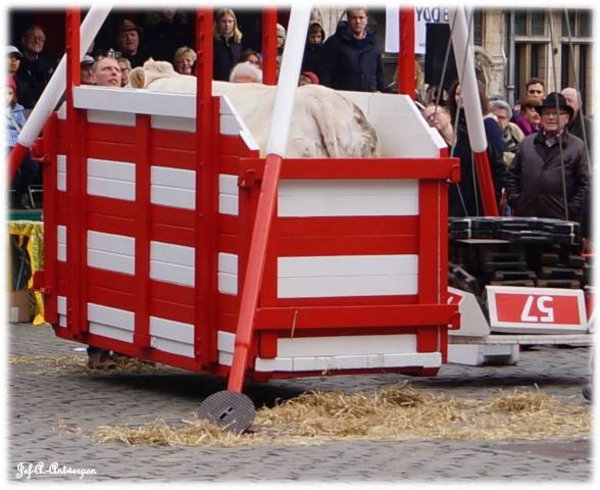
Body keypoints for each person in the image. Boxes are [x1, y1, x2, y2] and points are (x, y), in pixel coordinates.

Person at [505, 92, 589, 222]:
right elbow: (512, 176)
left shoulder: (577, 147)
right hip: (528, 217)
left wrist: (571, 209)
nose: (551, 117)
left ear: (566, 118)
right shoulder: (527, 143)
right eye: (547, 113)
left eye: (556, 113)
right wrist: (517, 201)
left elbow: (584, 184)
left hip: (561, 220)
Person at [447, 81, 505, 217]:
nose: (460, 97)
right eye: (457, 94)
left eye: (465, 92)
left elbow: (497, 164)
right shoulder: (456, 126)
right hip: (459, 194)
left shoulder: (488, 125)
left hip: (479, 195)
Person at [319, 7, 385, 92]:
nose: (358, 22)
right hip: (343, 98)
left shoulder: (373, 42)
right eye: (354, 18)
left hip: (370, 97)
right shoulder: (334, 42)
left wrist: (381, 91)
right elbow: (325, 72)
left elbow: (379, 72)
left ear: (366, 20)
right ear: (348, 20)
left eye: (361, 18)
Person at [6, 76, 40, 209]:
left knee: (32, 164)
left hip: (18, 143)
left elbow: (25, 130)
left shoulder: (18, 111)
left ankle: (18, 193)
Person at [15, 25, 56, 113]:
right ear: (24, 40)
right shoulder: (15, 61)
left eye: (41, 39)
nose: (37, 41)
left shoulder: (47, 64)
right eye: (33, 37)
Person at [489, 99, 525, 169]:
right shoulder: (486, 131)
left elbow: (524, 153)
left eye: (501, 117)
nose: (497, 120)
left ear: (508, 120)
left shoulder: (513, 129)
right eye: (495, 116)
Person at [213, 8, 243, 81]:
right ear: (218, 23)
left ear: (234, 23)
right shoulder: (213, 42)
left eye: (230, 21)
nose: (227, 25)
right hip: (217, 82)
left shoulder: (238, 42)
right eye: (224, 21)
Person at [561, 87, 593, 156]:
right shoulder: (553, 124)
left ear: (579, 105)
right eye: (563, 100)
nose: (566, 104)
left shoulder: (590, 127)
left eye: (570, 101)